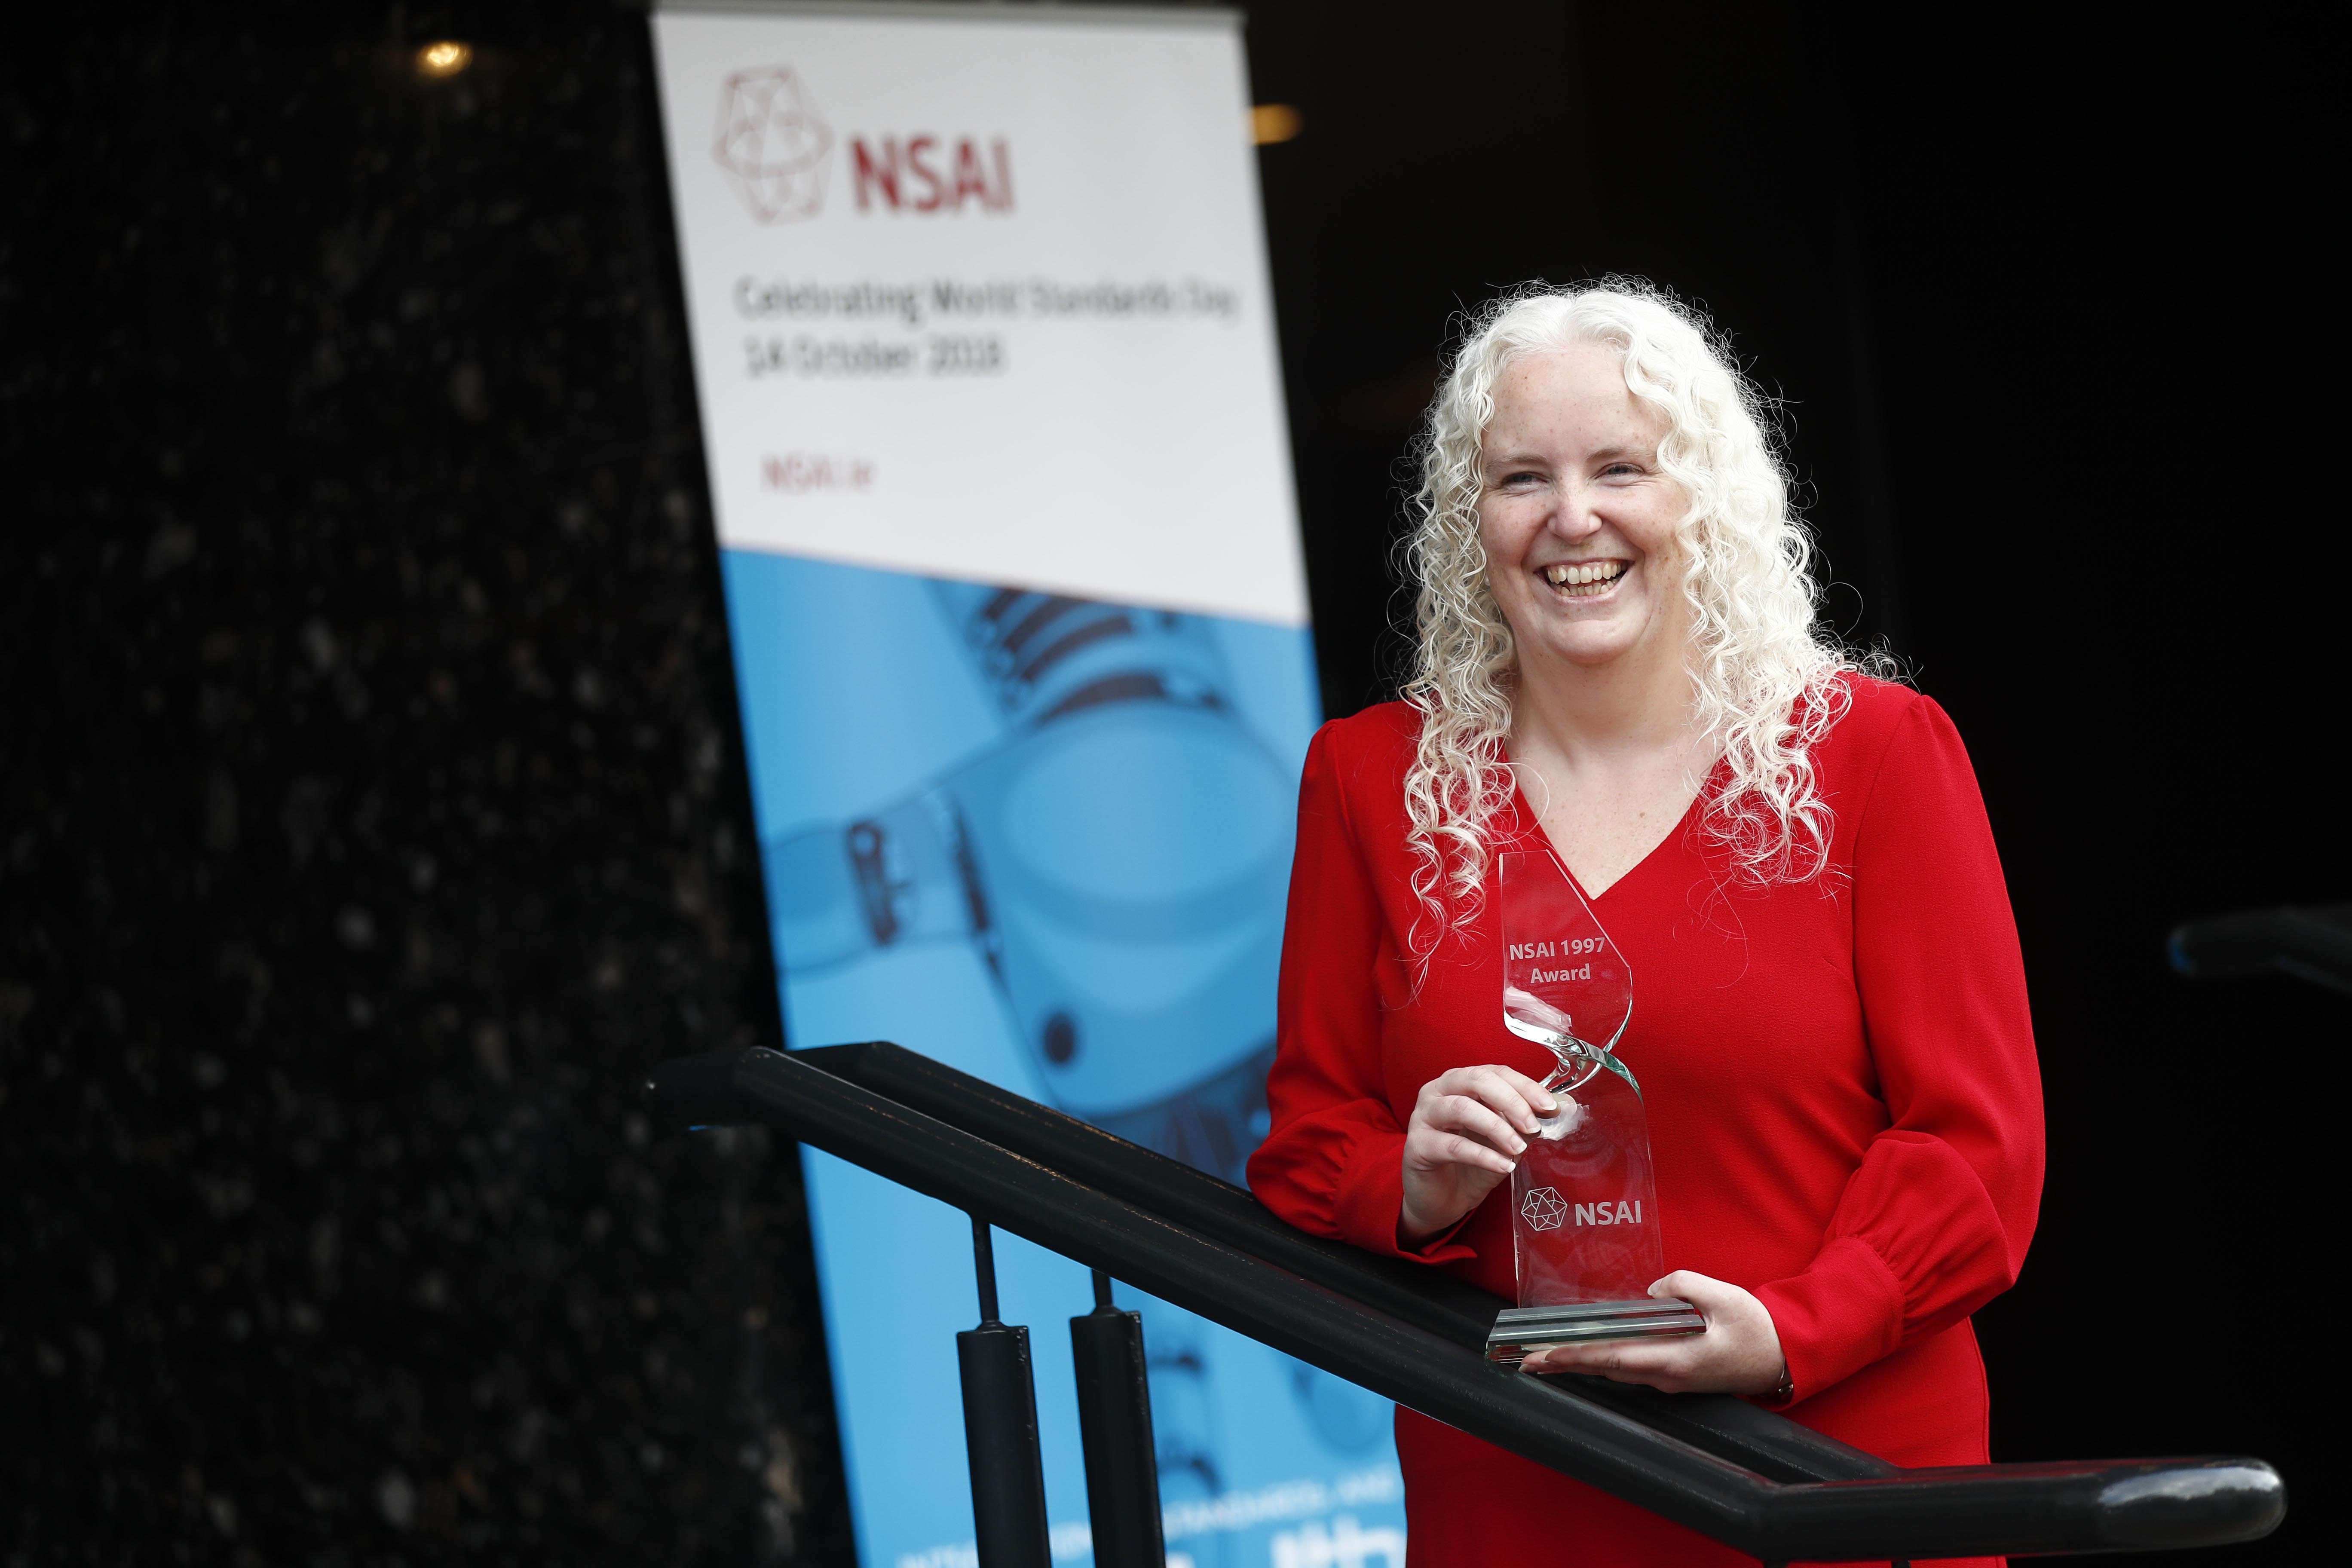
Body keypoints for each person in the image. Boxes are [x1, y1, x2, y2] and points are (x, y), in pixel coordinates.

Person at [1245, 283, 2043, 1567]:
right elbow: (1307, 1144)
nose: (1574, 517)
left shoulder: (1876, 753)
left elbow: (1978, 1147)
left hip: (1829, 1466)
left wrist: (1796, 1330)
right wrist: (1411, 1185)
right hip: (1520, 1476)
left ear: (1703, 494)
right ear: (1468, 521)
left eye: (1622, 467)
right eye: (1522, 478)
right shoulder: (1370, 780)